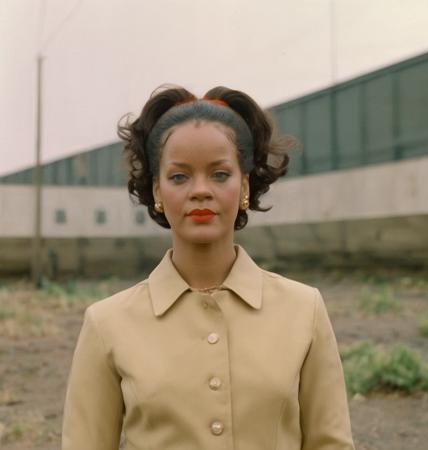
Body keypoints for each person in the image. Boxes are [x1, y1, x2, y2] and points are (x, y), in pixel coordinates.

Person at [61, 85, 355, 450]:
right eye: (179, 176)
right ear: (156, 190)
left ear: (244, 185)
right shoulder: (106, 324)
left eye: (219, 174)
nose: (200, 190)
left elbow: (332, 444)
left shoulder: (304, 309)